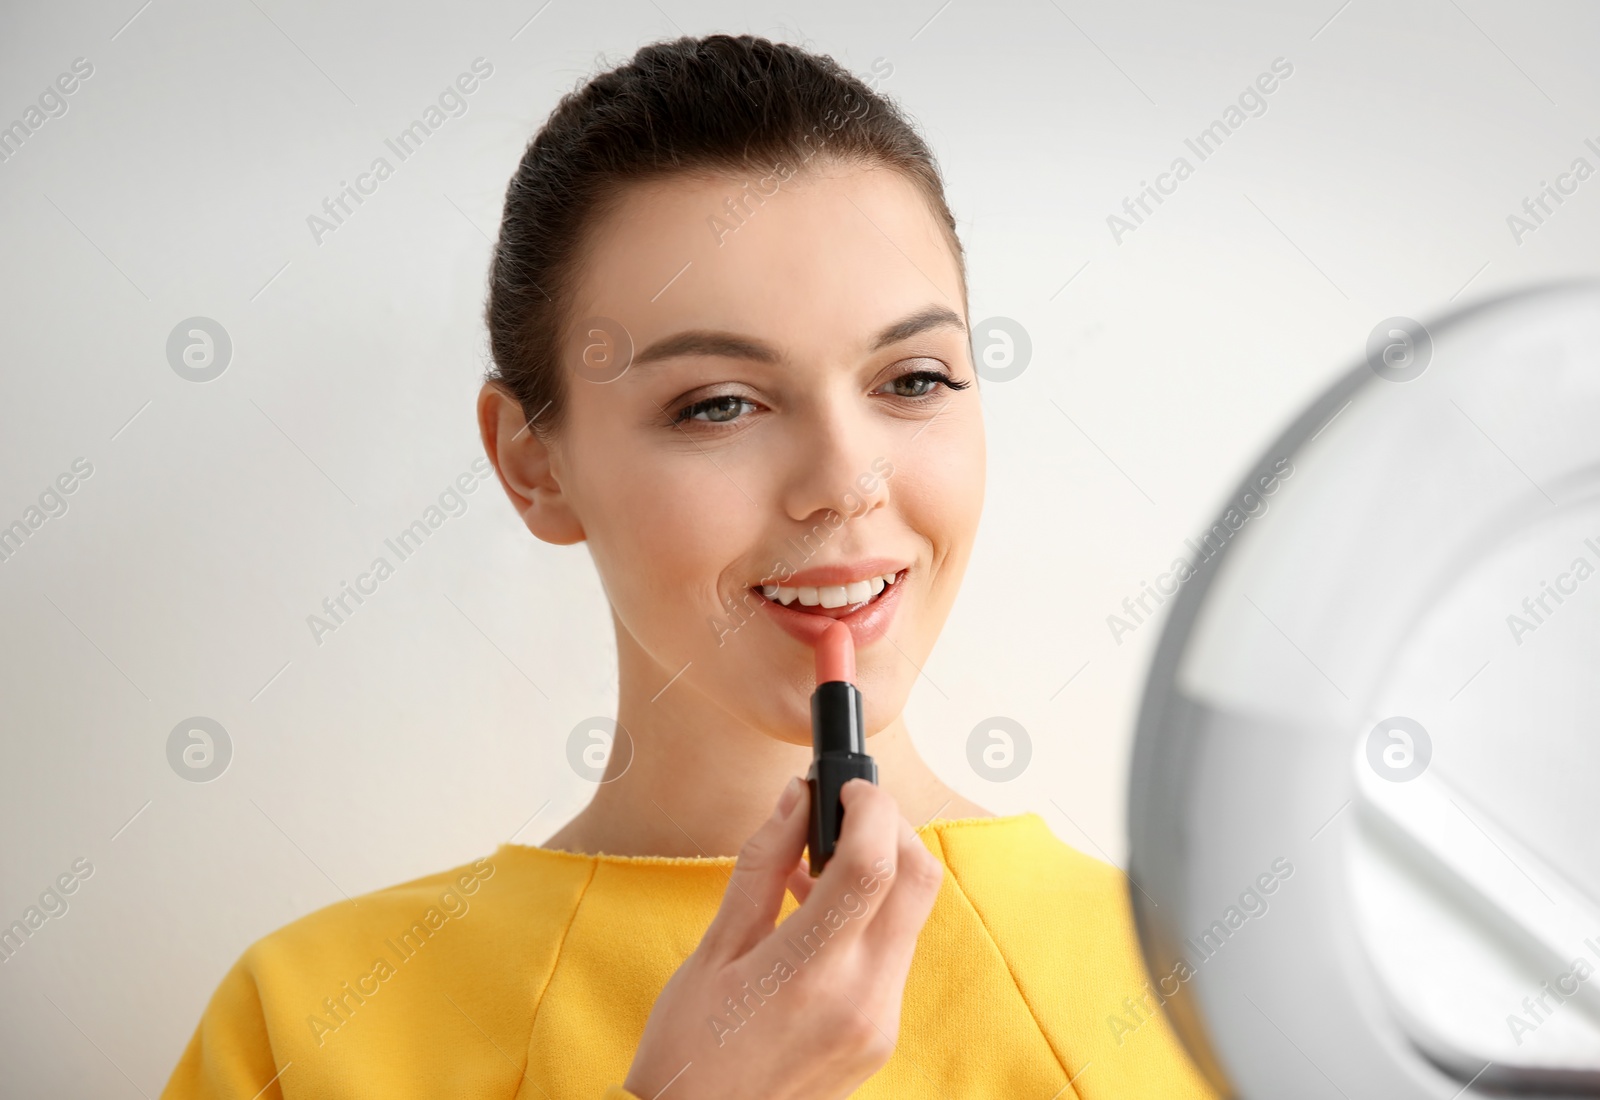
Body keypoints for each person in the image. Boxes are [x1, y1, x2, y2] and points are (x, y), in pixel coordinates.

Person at [161, 34, 1216, 1099]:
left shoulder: (1209, 997)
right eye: (718, 403)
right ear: (533, 466)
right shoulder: (305, 1024)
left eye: (913, 378)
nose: (844, 481)